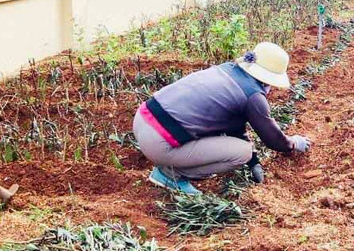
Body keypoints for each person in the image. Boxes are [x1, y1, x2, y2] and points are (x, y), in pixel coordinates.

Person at [132, 42, 312, 195]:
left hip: (142, 118)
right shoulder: (254, 96)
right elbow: (273, 140)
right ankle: (170, 175)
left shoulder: (228, 70)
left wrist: (254, 162)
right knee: (242, 152)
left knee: (243, 150)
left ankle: (171, 164)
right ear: (268, 79)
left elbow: (234, 124)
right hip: (159, 142)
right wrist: (293, 143)